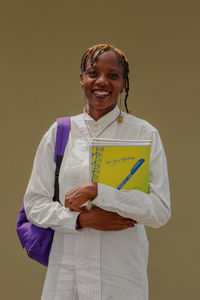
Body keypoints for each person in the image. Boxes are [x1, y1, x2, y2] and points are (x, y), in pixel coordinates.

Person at [24, 44, 171, 300]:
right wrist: (81, 220)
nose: (102, 81)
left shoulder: (143, 134)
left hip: (121, 276)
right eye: (93, 73)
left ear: (124, 83)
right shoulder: (60, 132)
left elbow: (159, 212)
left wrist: (99, 192)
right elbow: (34, 205)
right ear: (82, 78)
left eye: (113, 75)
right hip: (67, 274)